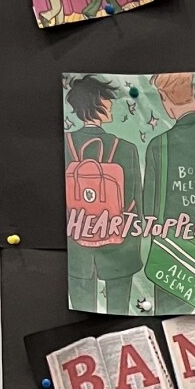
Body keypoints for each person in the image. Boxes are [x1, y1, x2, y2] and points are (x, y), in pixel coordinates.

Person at [64, 74, 143, 314]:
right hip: (119, 246)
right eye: (106, 100)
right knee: (121, 313)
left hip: (76, 248)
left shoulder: (64, 145)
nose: (110, 105)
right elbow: (135, 204)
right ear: (95, 102)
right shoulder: (126, 149)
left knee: (79, 316)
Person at [139, 73, 195, 314]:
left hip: (173, 253)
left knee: (171, 318)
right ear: (193, 91)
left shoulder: (159, 145)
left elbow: (149, 210)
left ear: (164, 99)